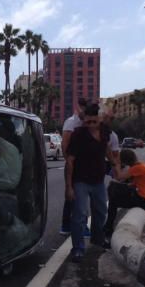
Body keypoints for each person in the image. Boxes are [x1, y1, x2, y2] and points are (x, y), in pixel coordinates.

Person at [64, 103, 111, 261]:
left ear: (99, 119)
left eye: (94, 122)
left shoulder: (105, 131)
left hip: (98, 180)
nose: (90, 125)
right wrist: (69, 187)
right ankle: (77, 248)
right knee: (80, 214)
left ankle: (97, 240)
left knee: (101, 212)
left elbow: (106, 149)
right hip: (80, 181)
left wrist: (115, 164)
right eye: (87, 122)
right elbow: (70, 161)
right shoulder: (78, 134)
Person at [103, 148, 145, 241]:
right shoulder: (141, 165)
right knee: (114, 190)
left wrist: (117, 164)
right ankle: (108, 227)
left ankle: (108, 228)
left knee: (113, 196)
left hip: (144, 200)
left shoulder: (136, 168)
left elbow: (119, 177)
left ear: (125, 160)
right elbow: (131, 184)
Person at [59, 98, 87, 235]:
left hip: (84, 165)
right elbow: (65, 145)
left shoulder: (86, 123)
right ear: (78, 107)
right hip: (73, 164)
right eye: (83, 108)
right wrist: (69, 162)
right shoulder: (71, 122)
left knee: (83, 195)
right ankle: (65, 225)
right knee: (70, 195)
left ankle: (81, 225)